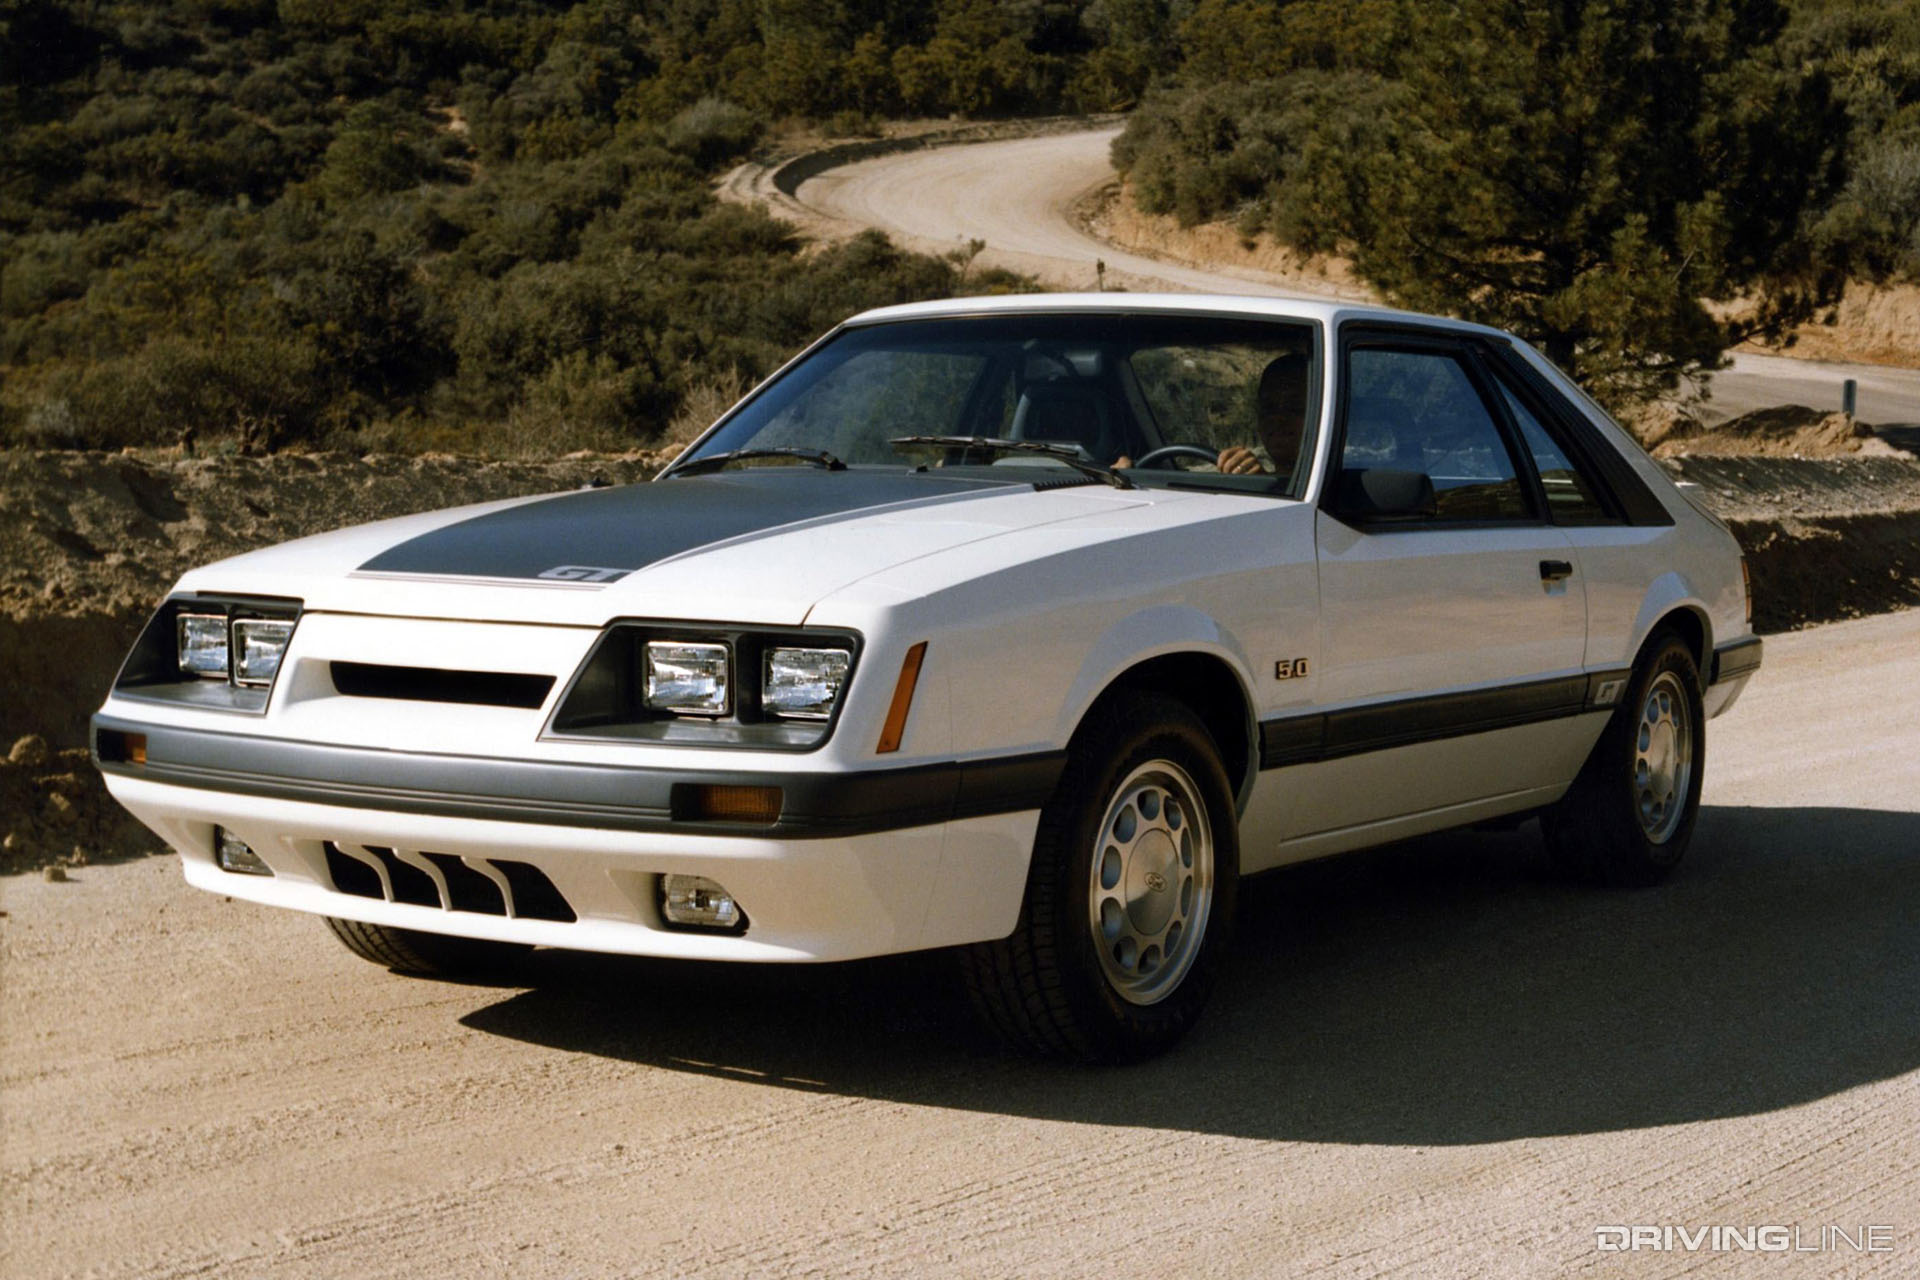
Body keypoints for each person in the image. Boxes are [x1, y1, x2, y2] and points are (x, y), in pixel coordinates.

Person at [1114, 350, 1309, 477]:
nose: (1278, 419)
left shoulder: (1333, 494)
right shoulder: (1231, 470)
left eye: (1295, 408)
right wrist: (1133, 477)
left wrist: (1263, 485)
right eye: (1269, 408)